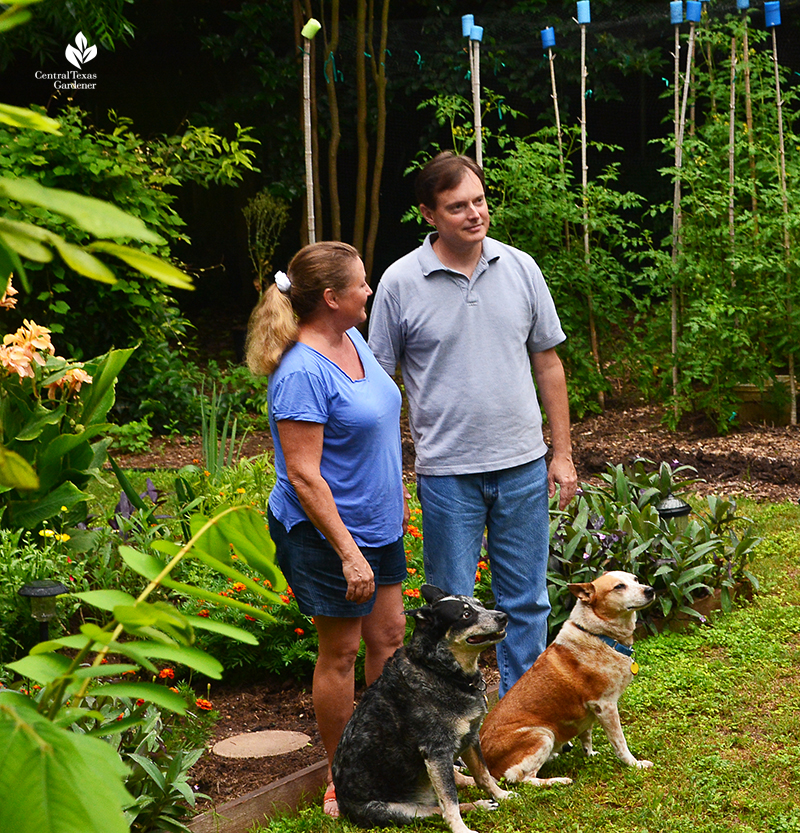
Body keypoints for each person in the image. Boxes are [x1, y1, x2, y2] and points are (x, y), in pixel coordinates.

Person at [368, 151, 577, 699]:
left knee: (527, 601)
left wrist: (562, 454)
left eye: (479, 201)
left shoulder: (521, 267)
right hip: (448, 473)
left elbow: (548, 363)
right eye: (457, 206)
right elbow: (377, 381)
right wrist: (384, 467)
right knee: (451, 606)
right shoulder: (399, 282)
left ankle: (520, 720)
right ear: (429, 214)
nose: (474, 214)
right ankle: (455, 729)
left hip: (524, 465)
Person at [246, 241, 409, 818]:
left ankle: (388, 758)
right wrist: (348, 552)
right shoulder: (299, 373)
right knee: (340, 653)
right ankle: (346, 776)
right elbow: (305, 476)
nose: (370, 290)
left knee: (389, 639)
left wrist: (395, 500)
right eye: (362, 284)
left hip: (378, 522)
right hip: (326, 533)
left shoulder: (352, 337)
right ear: (333, 298)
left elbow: (375, 427)